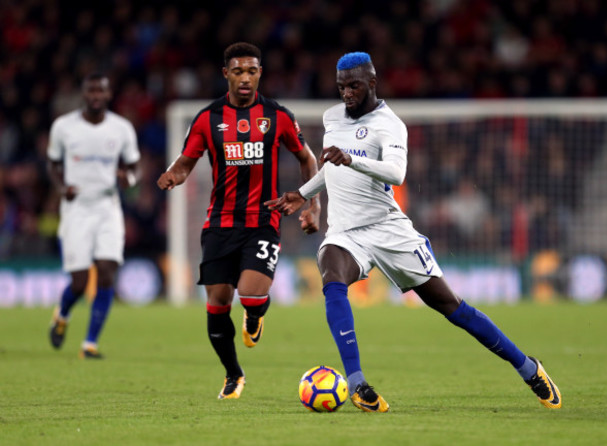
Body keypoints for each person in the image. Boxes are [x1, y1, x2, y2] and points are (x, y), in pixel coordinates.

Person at [266, 52, 561, 412]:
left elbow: (396, 173)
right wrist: (303, 194)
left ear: (372, 83)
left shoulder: (390, 124)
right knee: (331, 272)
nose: (346, 94)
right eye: (341, 87)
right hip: (346, 231)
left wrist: (351, 158)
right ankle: (358, 383)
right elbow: (332, 168)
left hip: (388, 229)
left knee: (452, 307)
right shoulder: (332, 118)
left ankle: (529, 368)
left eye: (354, 86)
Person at [157, 42, 320, 400]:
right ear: (226, 74)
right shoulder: (206, 119)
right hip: (219, 222)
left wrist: (312, 203)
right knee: (217, 303)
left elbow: (307, 159)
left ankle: (255, 313)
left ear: (260, 73)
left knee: (249, 294)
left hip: (263, 220)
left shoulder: (278, 116)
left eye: (252, 71)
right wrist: (173, 174)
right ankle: (233, 374)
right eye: (238, 71)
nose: (245, 78)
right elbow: (186, 162)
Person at [48, 73, 141, 359]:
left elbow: (135, 167)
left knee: (106, 271)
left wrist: (130, 180)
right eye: (91, 91)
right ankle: (62, 314)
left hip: (107, 206)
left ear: (108, 94)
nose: (96, 96)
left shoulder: (121, 128)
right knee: (78, 281)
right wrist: (62, 188)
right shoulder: (64, 127)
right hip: (76, 208)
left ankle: (90, 343)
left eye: (100, 91)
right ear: (83, 94)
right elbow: (53, 163)